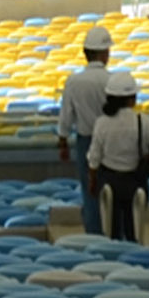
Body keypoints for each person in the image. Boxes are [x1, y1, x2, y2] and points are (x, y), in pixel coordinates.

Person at [83, 68, 149, 241]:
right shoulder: (141, 121)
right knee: (134, 230)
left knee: (111, 231)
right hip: (134, 181)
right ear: (132, 99)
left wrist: (92, 180)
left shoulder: (102, 123)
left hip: (108, 180)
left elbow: (94, 157)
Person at [57, 23, 115, 217]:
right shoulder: (112, 80)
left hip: (86, 141)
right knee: (113, 189)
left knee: (90, 191)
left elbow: (66, 115)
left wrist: (63, 141)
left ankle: (94, 233)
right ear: (104, 53)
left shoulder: (74, 82)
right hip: (111, 141)